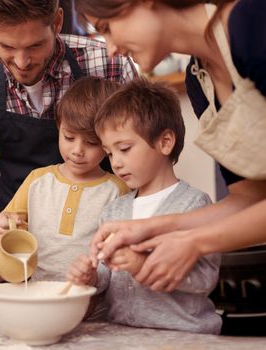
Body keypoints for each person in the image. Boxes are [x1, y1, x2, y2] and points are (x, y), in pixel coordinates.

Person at [0, 0, 137, 281]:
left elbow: (145, 165)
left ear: (56, 23)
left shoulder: (109, 65)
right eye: (6, 47)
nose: (21, 61)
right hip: (18, 256)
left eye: (34, 46)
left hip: (103, 265)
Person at [74, 0, 266, 292]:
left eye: (107, 28)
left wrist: (196, 241)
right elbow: (248, 199)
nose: (111, 47)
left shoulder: (251, 21)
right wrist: (150, 228)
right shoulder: (198, 82)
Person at [67, 77, 221, 334]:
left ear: (165, 142)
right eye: (110, 153)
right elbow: (106, 270)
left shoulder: (194, 205)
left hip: (183, 337)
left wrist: (142, 265)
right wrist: (91, 277)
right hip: (122, 334)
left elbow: (204, 279)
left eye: (124, 149)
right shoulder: (114, 211)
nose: (115, 162)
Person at [0, 76, 128, 282]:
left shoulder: (118, 190)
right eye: (69, 137)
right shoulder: (37, 180)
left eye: (91, 142)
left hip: (94, 304)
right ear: (59, 127)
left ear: (108, 143)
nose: (77, 150)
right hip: (38, 297)